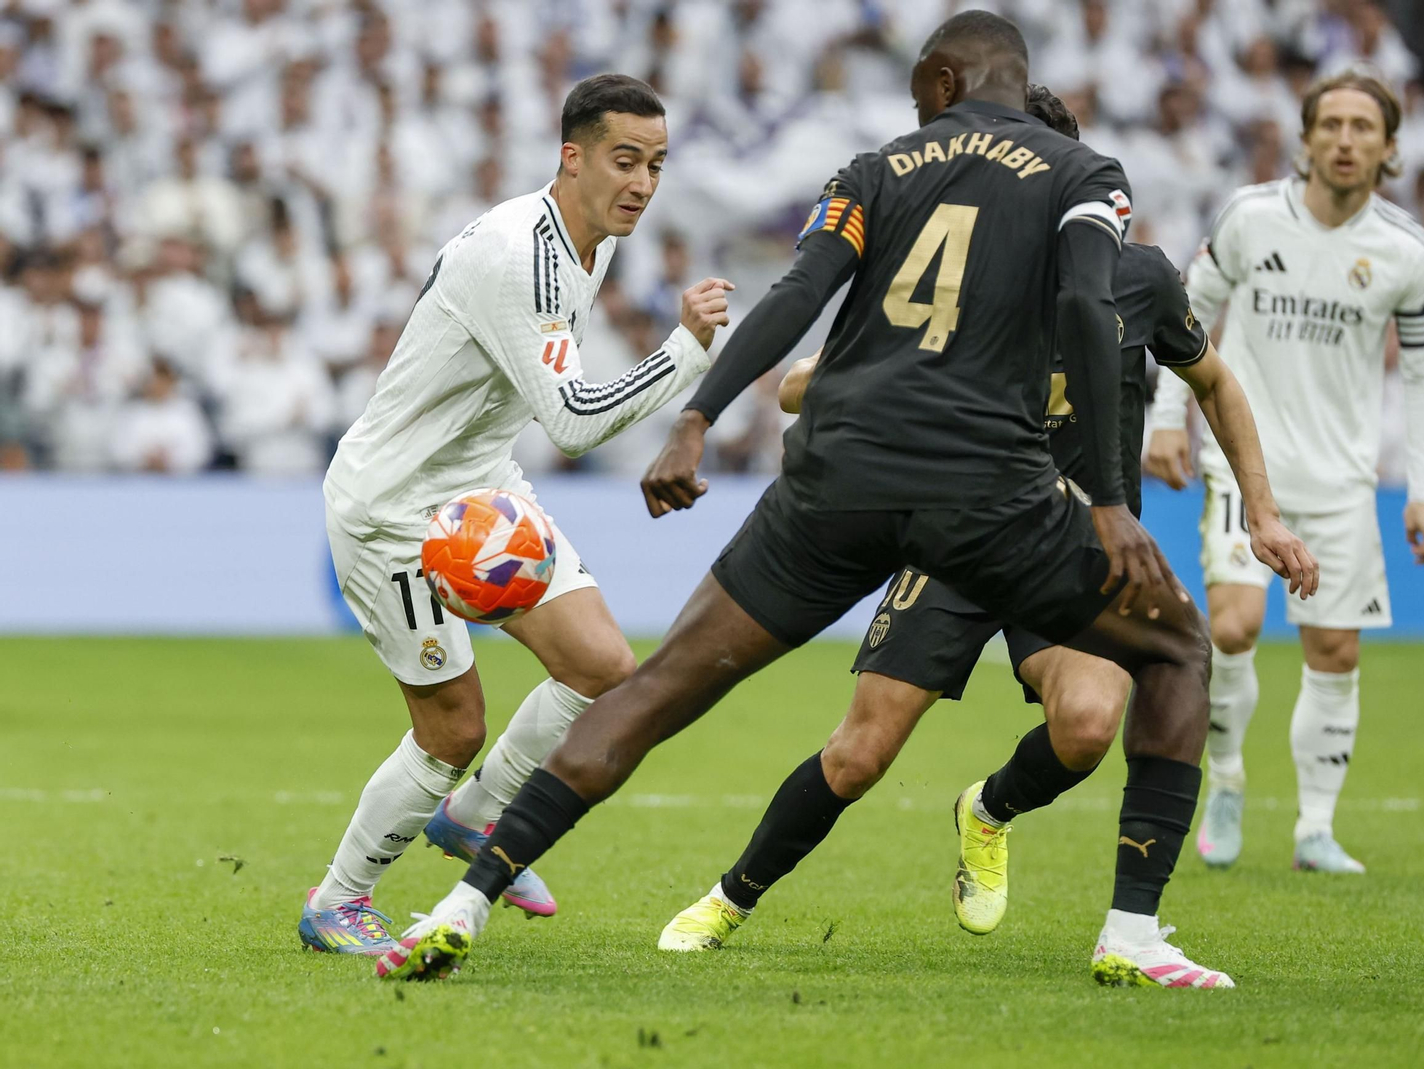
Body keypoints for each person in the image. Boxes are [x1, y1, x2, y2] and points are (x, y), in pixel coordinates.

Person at [380, 11, 1310, 988]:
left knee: (659, 688)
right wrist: (1113, 502)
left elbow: (794, 291)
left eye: (920, 90)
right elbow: (1083, 304)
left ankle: (463, 900)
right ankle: (1130, 932)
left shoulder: (878, 169)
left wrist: (697, 416)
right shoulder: (1081, 181)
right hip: (989, 492)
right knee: (1173, 649)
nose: (919, 110)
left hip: (840, 478)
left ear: (945, 81)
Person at [653, 84, 1312, 988]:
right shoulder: (946, 281)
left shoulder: (1140, 277)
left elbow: (1218, 386)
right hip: (960, 532)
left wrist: (1264, 514)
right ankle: (730, 896)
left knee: (1085, 726)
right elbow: (800, 384)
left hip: (1072, 547)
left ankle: (993, 812)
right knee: (859, 753)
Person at [299, 74, 733, 955]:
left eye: (655, 164)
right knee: (453, 726)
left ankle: (476, 817)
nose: (643, 183)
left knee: (602, 663)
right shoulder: (518, 255)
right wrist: (685, 352)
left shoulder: (591, 240)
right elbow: (572, 421)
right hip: (394, 508)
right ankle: (337, 900)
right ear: (570, 157)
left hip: (480, 489)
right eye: (624, 160)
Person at [1146, 71, 1424, 875]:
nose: (1346, 140)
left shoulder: (1407, 252)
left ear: (1388, 148)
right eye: (1332, 124)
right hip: (1244, 470)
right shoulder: (1249, 218)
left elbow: (1423, 373)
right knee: (1236, 627)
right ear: (1307, 137)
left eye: (1364, 127)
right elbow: (1183, 315)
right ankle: (1229, 780)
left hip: (1342, 482)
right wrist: (1164, 418)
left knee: (1336, 652)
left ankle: (1315, 826)